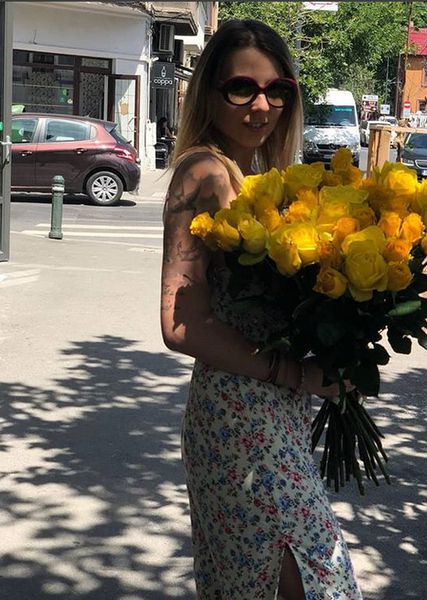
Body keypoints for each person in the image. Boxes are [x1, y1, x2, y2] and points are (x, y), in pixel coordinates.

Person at [160, 19, 363, 600]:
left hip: (275, 413)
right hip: (238, 417)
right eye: (241, 88)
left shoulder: (253, 176)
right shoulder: (204, 173)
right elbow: (179, 324)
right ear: (210, 92)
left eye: (277, 90)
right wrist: (298, 373)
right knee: (315, 580)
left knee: (264, 582)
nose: (261, 105)